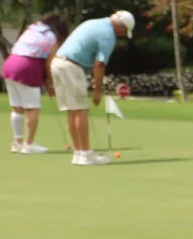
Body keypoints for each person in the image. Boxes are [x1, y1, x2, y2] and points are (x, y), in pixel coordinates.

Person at [50, 10, 133, 166]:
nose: (122, 35)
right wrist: (97, 90)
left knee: (72, 110)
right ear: (121, 26)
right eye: (124, 31)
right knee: (81, 110)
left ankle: (79, 153)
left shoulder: (94, 22)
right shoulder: (108, 35)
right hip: (72, 66)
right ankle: (85, 154)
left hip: (57, 63)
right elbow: (99, 64)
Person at [0, 12, 68, 154]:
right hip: (27, 67)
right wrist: (51, 84)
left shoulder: (31, 29)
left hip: (10, 63)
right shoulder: (51, 37)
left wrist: (47, 83)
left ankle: (17, 142)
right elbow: (49, 64)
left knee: (17, 107)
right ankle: (29, 144)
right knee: (32, 108)